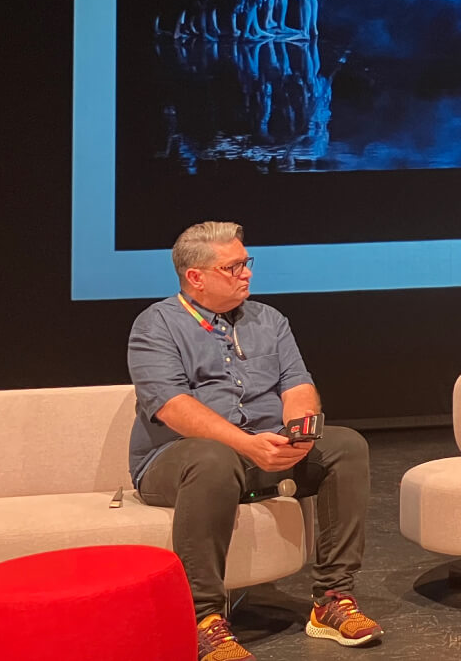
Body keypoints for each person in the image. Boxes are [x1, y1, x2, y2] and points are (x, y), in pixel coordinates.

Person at [128, 222, 383, 660]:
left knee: (345, 446)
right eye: (233, 266)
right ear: (196, 277)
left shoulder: (270, 319)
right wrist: (246, 445)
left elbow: (297, 385)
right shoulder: (156, 326)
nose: (246, 273)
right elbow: (172, 407)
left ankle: (332, 601)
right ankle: (204, 619)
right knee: (213, 457)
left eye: (247, 262)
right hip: (175, 460)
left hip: (258, 451)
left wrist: (300, 434)